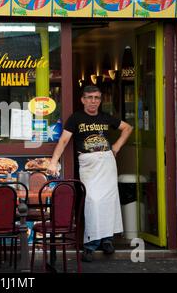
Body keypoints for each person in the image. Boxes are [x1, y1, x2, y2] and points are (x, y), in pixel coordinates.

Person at [47, 85, 133, 262]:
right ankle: (90, 244)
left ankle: (107, 241)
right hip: (88, 163)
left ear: (100, 100)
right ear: (83, 100)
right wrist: (53, 161)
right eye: (89, 97)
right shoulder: (76, 118)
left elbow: (128, 128)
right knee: (92, 202)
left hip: (107, 162)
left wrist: (116, 147)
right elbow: (64, 140)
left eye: (96, 98)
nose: (93, 101)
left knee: (109, 201)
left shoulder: (105, 117)